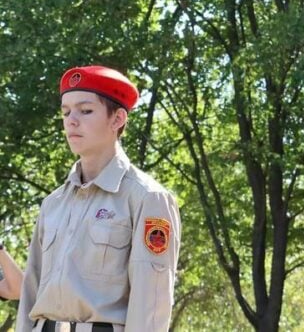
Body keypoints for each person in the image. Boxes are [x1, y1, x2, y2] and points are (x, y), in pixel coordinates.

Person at [17, 66, 181, 332]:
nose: (71, 120)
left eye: (85, 110)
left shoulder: (147, 198)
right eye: (66, 112)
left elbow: (150, 304)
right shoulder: (53, 204)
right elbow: (31, 290)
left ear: (117, 119)